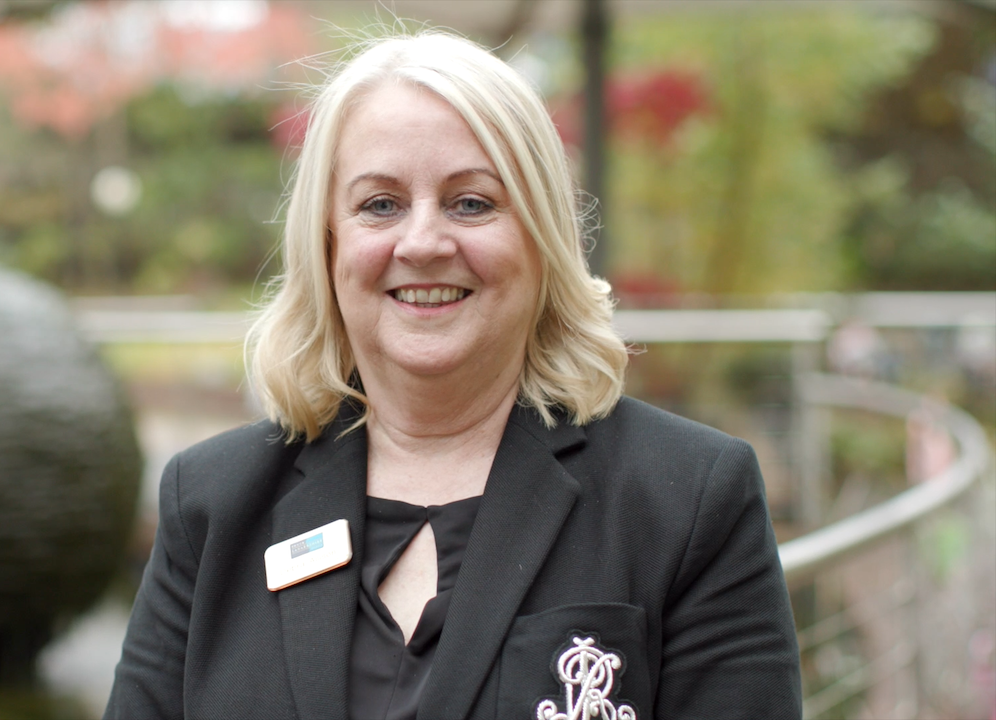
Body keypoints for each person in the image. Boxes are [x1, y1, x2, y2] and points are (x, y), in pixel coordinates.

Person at [105, 31, 801, 720]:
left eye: (472, 203)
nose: (424, 242)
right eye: (381, 204)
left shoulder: (688, 499)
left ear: (542, 238)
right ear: (328, 243)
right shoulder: (212, 503)